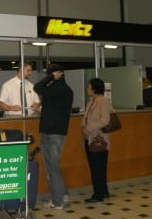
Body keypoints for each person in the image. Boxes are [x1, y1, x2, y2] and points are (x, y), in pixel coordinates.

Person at [34, 64, 74, 209]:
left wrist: (51, 78)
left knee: (52, 167)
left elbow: (37, 87)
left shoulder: (56, 88)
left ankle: (58, 201)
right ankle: (63, 194)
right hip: (59, 131)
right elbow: (53, 107)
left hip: (51, 133)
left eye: (50, 74)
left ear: (57, 75)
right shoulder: (67, 90)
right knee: (54, 166)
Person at [81, 78, 111, 204]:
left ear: (94, 89)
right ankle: (103, 191)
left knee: (98, 168)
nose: (87, 89)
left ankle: (98, 194)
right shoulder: (91, 102)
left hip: (99, 139)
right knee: (96, 166)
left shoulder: (103, 101)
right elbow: (86, 117)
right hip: (89, 138)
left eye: (89, 87)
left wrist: (88, 128)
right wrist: (83, 126)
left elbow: (105, 120)